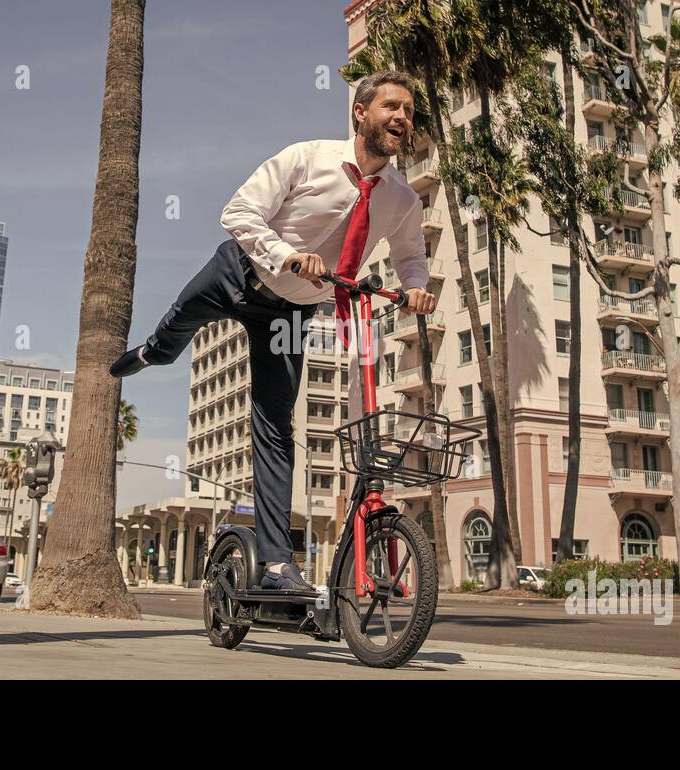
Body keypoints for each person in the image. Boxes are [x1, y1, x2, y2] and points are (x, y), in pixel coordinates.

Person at [111, 71, 437, 592]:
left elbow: (411, 257)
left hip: (290, 313)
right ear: (360, 113)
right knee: (180, 322)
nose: (402, 118)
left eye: (408, 110)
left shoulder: (401, 198)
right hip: (238, 274)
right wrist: (285, 255)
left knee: (275, 428)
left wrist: (416, 288)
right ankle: (152, 352)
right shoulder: (307, 158)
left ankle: (275, 564)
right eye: (391, 107)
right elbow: (238, 211)